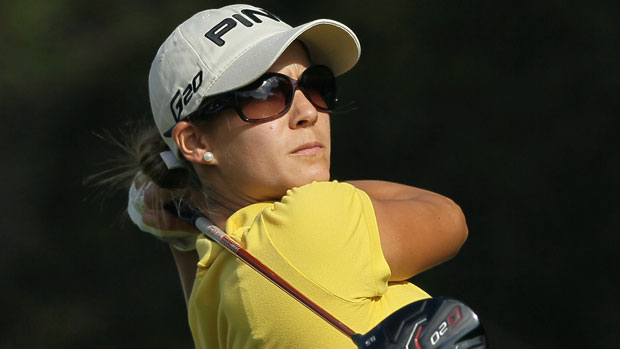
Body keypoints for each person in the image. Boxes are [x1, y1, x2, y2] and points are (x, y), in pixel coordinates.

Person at [125, 4, 468, 348]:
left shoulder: (212, 287)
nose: (308, 112)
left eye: (315, 85)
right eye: (265, 94)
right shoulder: (305, 224)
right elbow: (448, 217)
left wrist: (181, 232)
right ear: (196, 142)